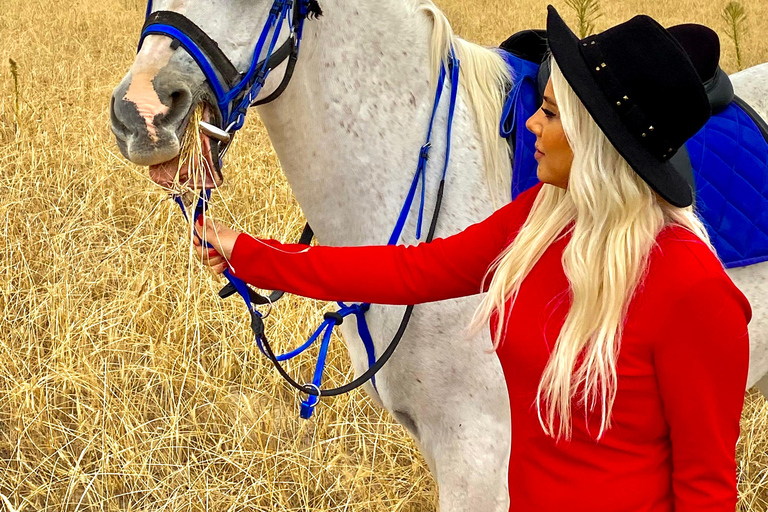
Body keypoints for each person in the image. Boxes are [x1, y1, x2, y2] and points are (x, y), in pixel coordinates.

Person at [191, 6, 752, 511]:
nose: (531, 121)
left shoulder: (691, 288)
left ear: (597, 141)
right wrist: (252, 255)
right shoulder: (542, 217)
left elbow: (707, 488)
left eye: (551, 114)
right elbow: (413, 270)